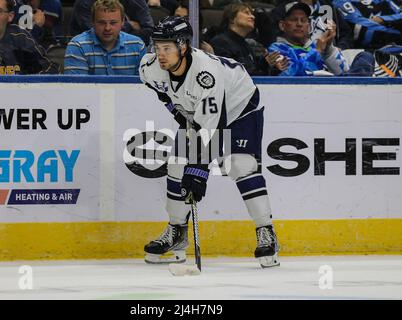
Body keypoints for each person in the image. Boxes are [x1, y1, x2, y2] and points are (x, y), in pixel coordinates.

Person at [139, 16, 280, 268]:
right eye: (158, 47)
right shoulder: (149, 67)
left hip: (241, 104)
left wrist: (197, 174)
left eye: (167, 48)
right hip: (200, 111)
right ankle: (176, 232)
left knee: (240, 164)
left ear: (183, 46)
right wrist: (179, 112)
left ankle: (266, 231)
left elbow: (210, 132)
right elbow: (163, 92)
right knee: (176, 163)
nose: (160, 54)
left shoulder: (206, 75)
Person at [268, 1, 352, 75]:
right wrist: (317, 51)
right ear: (282, 25)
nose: (299, 24)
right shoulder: (276, 49)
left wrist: (329, 50)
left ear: (309, 26)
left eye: (303, 20)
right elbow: (290, 75)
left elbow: (344, 73)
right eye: (294, 19)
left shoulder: (316, 46)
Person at [64, 0, 146, 75]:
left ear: (123, 22)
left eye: (113, 23)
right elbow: (76, 87)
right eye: (101, 23)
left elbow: (143, 87)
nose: (107, 28)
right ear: (92, 22)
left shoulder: (137, 46)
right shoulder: (78, 46)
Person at [210, 2, 289, 75]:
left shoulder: (246, 45)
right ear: (231, 19)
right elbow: (235, 76)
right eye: (246, 13)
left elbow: (256, 73)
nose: (253, 17)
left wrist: (275, 69)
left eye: (252, 14)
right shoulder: (220, 42)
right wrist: (265, 64)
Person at [270, 0, 355, 50]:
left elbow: (346, 34)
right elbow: (275, 39)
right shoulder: (283, 9)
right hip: (295, 58)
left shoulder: (327, 6)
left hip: (329, 58)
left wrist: (340, 48)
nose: (299, 23)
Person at [70, 0, 154, 46]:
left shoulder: (136, 1)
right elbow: (99, 34)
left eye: (113, 22)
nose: (107, 28)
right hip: (88, 49)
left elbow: (149, 32)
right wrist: (129, 25)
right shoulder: (84, 2)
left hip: (130, 49)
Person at [332, 0, 402, 49]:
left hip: (392, 46)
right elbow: (361, 28)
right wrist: (397, 32)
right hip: (360, 51)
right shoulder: (341, 2)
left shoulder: (384, 2)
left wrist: (383, 19)